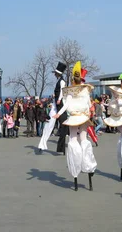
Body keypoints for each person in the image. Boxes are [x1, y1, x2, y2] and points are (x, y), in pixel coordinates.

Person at [53, 61, 97, 191]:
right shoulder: (85, 90)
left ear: (73, 79)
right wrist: (90, 112)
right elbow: (89, 105)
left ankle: (77, 167)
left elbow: (66, 105)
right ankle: (87, 165)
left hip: (74, 117)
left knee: (73, 140)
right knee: (83, 140)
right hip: (82, 117)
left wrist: (58, 114)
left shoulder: (71, 92)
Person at [52, 62, 69, 154]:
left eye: (55, 73)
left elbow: (62, 91)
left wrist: (59, 99)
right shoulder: (59, 81)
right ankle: (61, 148)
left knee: (63, 125)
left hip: (61, 103)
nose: (54, 75)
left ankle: (61, 147)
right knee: (62, 126)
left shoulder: (62, 81)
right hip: (59, 103)